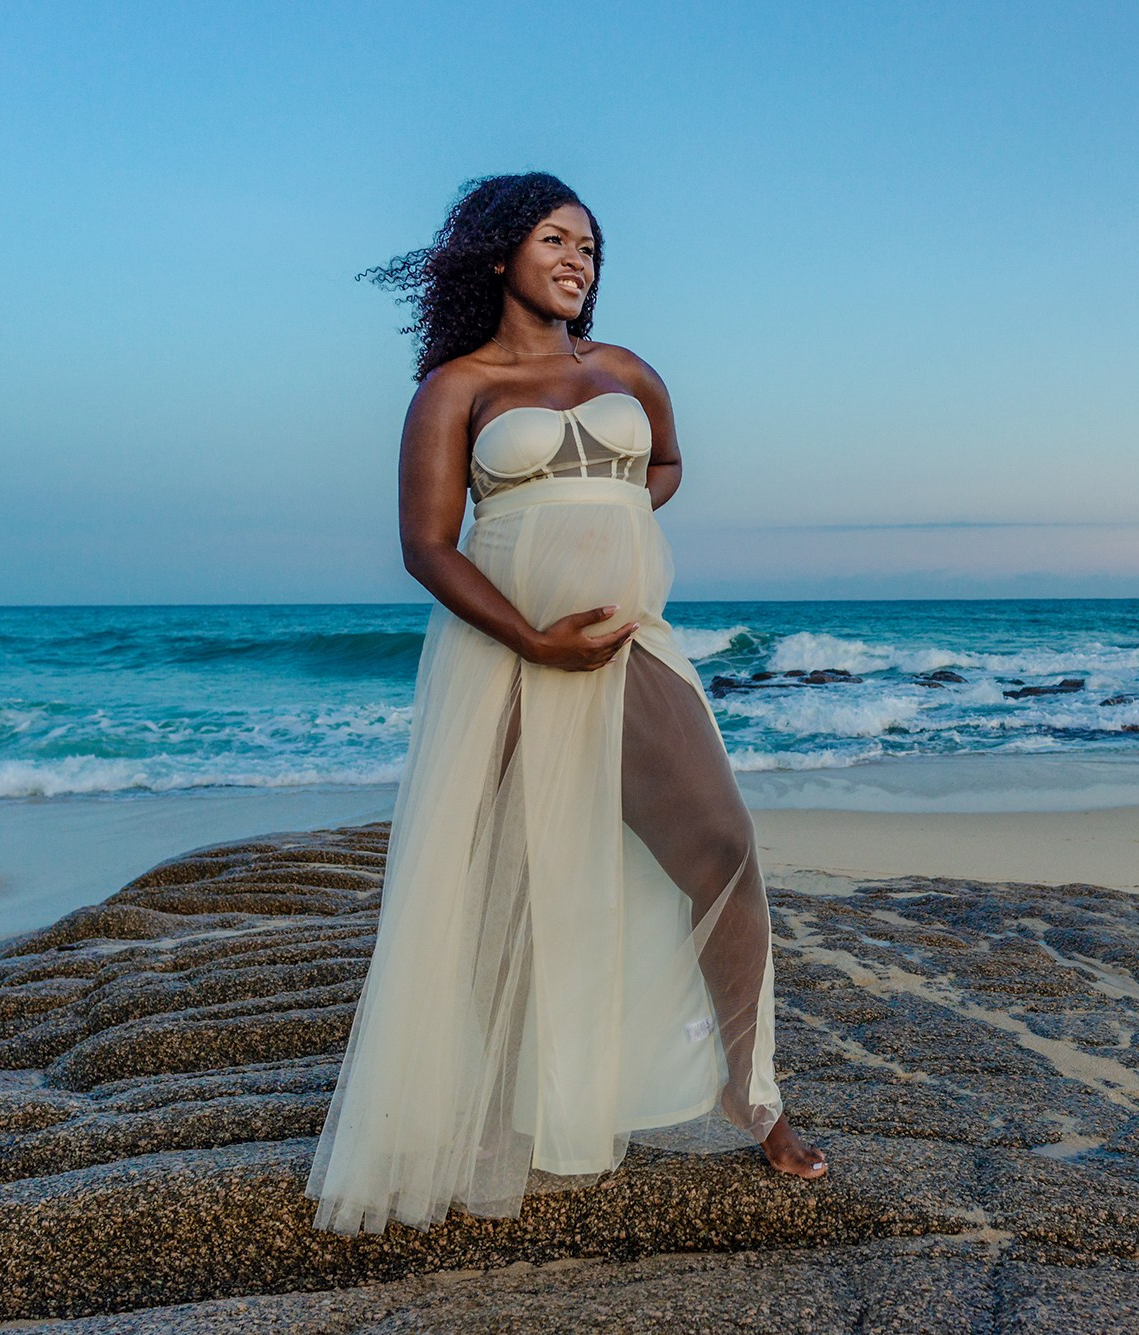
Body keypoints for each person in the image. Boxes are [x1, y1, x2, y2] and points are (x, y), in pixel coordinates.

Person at [305, 172, 826, 1235]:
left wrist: (606, 528)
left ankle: (748, 1090)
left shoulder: (626, 370)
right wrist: (531, 631)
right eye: (555, 239)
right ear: (500, 254)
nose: (577, 260)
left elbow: (664, 464)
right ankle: (490, 1110)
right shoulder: (456, 388)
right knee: (510, 877)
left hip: (628, 642)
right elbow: (426, 545)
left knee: (721, 845)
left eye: (589, 246)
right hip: (505, 652)